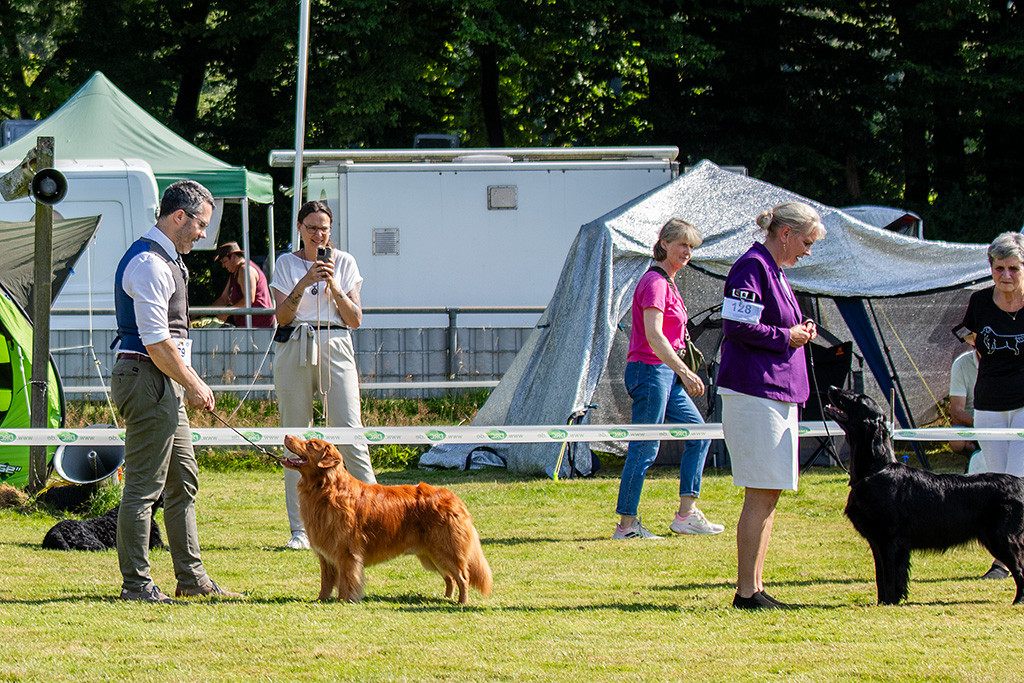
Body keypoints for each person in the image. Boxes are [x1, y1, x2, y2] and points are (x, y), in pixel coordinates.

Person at [111, 179, 241, 602]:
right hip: (147, 376)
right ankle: (137, 585)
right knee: (143, 489)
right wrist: (194, 383)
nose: (203, 235)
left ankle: (192, 579)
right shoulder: (149, 263)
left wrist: (185, 381)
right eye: (201, 224)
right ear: (179, 216)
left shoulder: (167, 260)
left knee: (183, 481)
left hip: (162, 379)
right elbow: (156, 341)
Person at [718, 201, 825, 609]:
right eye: (806, 243)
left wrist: (799, 330)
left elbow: (772, 321)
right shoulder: (753, 266)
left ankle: (757, 586)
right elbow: (737, 325)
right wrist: (786, 337)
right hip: (755, 391)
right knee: (760, 492)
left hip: (777, 392)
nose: (808, 251)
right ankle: (746, 592)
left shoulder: (774, 270)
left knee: (770, 492)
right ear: (786, 234)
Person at [271, 200, 377, 550]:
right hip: (295, 343)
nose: (319, 235)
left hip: (335, 341)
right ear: (300, 229)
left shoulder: (344, 262)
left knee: (349, 431)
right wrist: (304, 282)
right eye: (312, 228)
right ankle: (301, 529)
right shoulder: (286, 264)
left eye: (324, 229)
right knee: (295, 436)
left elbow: (355, 319)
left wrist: (334, 286)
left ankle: (373, 513)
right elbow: (282, 317)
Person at [613, 218, 723, 540]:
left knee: (699, 434)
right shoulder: (655, 282)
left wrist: (679, 371)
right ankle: (626, 526)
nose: (688, 251)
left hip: (665, 373)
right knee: (645, 448)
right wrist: (685, 371)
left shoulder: (668, 282)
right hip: (650, 371)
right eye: (682, 244)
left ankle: (686, 515)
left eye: (691, 246)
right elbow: (654, 336)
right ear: (664, 245)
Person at [959, 230, 1024, 580]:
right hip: (988, 403)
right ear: (991, 268)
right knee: (998, 483)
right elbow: (968, 336)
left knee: (1018, 480)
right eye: (1000, 268)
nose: (1006, 275)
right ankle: (1008, 555)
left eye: (1014, 268)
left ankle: (1006, 560)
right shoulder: (980, 301)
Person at [210, 241, 276, 327]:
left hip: (260, 326)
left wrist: (227, 312)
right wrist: (203, 313)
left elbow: (248, 300)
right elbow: (224, 299)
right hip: (247, 324)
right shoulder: (234, 272)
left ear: (233, 256)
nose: (223, 266)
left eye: (224, 261)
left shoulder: (245, 269)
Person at [948, 339, 980, 467]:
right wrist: (981, 424)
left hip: (1003, 422)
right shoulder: (961, 363)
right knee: (956, 440)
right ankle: (973, 461)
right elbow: (956, 412)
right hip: (973, 425)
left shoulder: (1009, 362)